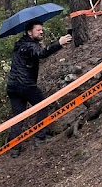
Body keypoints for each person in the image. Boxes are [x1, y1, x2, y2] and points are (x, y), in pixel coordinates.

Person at [6, 22, 72, 157]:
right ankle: (39, 137)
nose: (41, 32)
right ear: (29, 32)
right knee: (43, 106)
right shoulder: (29, 45)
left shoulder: (21, 45)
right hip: (25, 85)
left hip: (12, 86)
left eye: (42, 30)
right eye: (38, 30)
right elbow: (41, 53)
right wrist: (58, 43)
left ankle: (14, 148)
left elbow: (35, 53)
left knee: (18, 117)